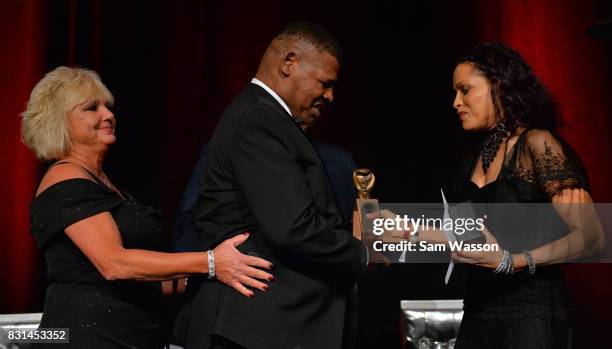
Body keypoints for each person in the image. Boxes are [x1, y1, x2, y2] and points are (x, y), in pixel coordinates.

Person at [21, 66, 274, 348]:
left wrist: (225, 271)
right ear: (60, 121)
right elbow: (114, 264)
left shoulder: (106, 184)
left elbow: (147, 281)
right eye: (92, 108)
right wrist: (212, 262)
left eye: (108, 106)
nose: (108, 115)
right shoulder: (64, 177)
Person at [183, 22, 368, 349]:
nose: (330, 96)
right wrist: (364, 251)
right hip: (259, 326)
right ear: (289, 63)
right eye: (325, 83)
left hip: (267, 325)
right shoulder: (260, 118)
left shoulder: (265, 116)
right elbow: (293, 226)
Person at [443, 43, 603, 348]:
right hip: (477, 314)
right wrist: (402, 230)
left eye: (465, 90)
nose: (456, 102)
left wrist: (513, 261)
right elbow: (465, 236)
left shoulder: (537, 143)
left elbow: (591, 237)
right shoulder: (473, 157)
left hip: (531, 316)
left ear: (498, 86)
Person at [170, 139, 358, 348]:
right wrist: (196, 271)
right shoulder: (230, 146)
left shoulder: (338, 161)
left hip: (313, 317)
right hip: (235, 311)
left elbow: (351, 231)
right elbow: (191, 219)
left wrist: (376, 248)